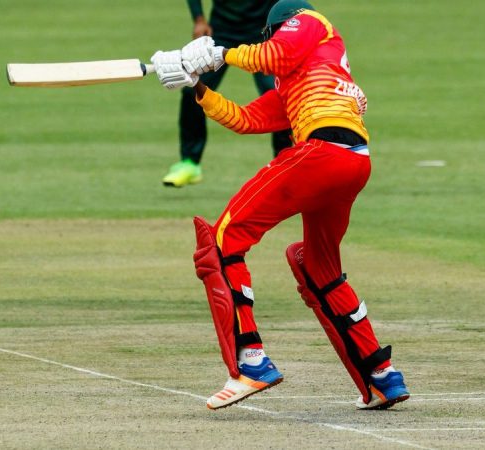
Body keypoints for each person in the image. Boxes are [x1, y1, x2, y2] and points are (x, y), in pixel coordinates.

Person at [151, 0, 410, 410]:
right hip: (353, 163)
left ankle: (250, 361)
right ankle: (381, 376)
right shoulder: (301, 81)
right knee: (319, 268)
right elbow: (245, 120)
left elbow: (275, 53)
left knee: (222, 240)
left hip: (321, 153)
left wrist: (220, 54)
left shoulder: (309, 23)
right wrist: (196, 85)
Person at [162, 0, 293, 187]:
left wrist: (279, 27)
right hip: (220, 31)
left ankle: (283, 165)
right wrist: (199, 20)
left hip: (262, 32)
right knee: (192, 90)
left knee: (281, 96)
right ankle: (190, 162)